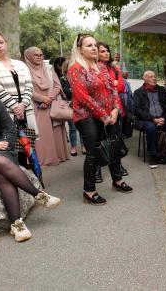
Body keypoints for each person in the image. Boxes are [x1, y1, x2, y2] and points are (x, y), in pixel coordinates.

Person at [67, 33, 133, 206]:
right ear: (80, 50)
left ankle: (117, 180)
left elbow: (113, 89)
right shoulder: (75, 68)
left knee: (115, 145)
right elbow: (83, 98)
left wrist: (115, 109)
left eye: (95, 45)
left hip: (109, 115)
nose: (94, 48)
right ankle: (89, 191)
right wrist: (104, 116)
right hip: (86, 116)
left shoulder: (102, 67)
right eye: (89, 45)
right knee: (93, 153)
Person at [0, 90, 61, 242]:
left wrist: (5, 144)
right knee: (0, 162)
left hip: (2, 152)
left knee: (2, 174)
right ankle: (39, 195)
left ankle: (17, 224)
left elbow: (9, 128)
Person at [0, 29, 38, 167]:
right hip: (7, 114)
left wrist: (23, 105)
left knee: (30, 149)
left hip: (26, 112)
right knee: (15, 151)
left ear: (6, 43)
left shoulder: (20, 64)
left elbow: (29, 86)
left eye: (1, 42)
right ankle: (20, 182)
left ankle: (36, 182)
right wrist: (15, 107)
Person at [24, 47, 70, 167]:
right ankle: (43, 159)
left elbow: (57, 86)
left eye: (41, 54)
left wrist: (49, 98)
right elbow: (26, 89)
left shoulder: (49, 68)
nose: (39, 57)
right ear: (28, 57)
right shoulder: (24, 70)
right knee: (41, 133)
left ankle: (59, 156)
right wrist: (42, 99)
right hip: (35, 106)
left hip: (51, 104)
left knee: (55, 132)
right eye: (36, 55)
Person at [132, 70, 166, 168]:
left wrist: (163, 118)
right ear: (145, 79)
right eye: (150, 77)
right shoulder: (138, 92)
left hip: (163, 117)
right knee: (151, 128)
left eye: (154, 76)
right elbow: (137, 110)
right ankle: (153, 156)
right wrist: (153, 119)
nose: (154, 78)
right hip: (147, 120)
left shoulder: (161, 90)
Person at [97, 42, 129, 178]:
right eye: (102, 51)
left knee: (115, 140)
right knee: (98, 141)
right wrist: (112, 85)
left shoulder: (114, 69)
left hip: (115, 108)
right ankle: (97, 170)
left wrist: (111, 85)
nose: (106, 53)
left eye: (107, 50)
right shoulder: (93, 68)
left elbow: (121, 86)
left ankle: (117, 166)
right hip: (98, 110)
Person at [54, 58, 81, 156]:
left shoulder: (79, 76)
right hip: (69, 105)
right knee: (73, 128)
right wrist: (74, 90)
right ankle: (73, 147)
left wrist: (73, 90)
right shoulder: (63, 79)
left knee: (83, 127)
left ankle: (84, 147)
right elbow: (66, 91)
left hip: (81, 105)